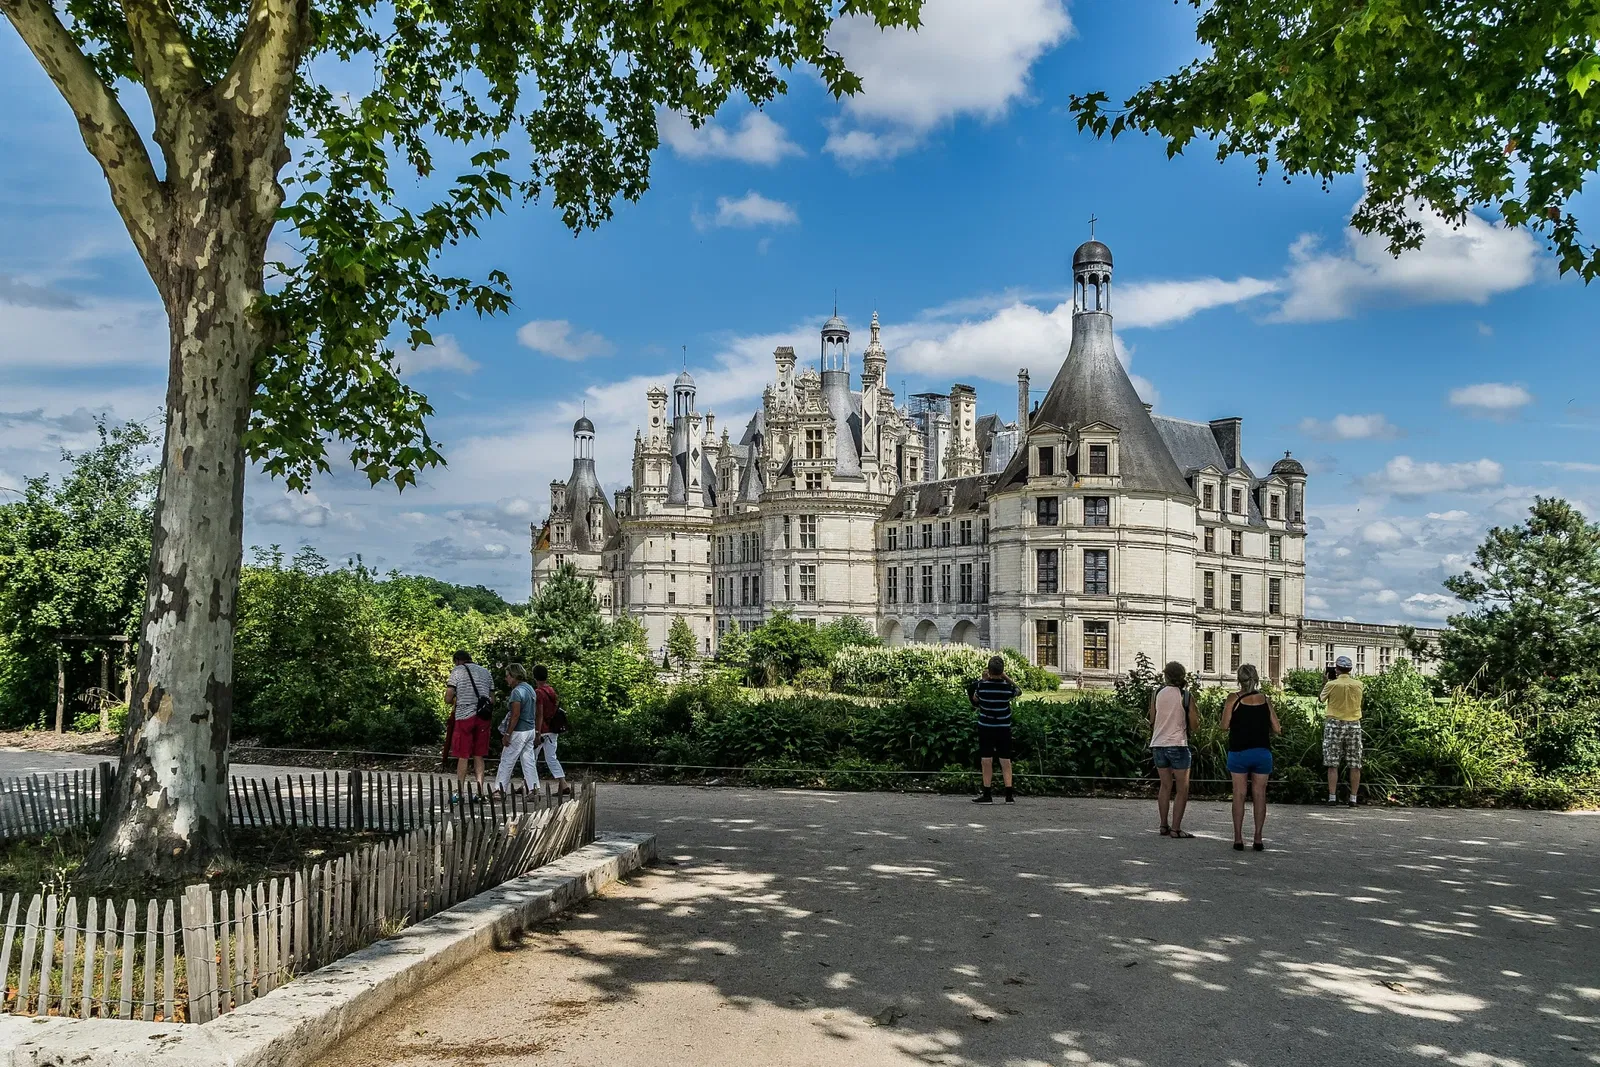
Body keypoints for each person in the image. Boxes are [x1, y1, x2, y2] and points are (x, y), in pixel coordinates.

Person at [1221, 663, 1281, 852]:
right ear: (1256, 678)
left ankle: (1238, 838)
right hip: (1262, 752)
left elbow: (1223, 726)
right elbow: (1278, 728)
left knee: (1238, 794)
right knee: (1260, 795)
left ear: (1239, 679)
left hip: (1238, 751)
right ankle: (1258, 837)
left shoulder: (1233, 698)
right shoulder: (1265, 699)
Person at [1148, 661, 1200, 838]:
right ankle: (1176, 829)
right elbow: (1194, 725)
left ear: (1166, 675)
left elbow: (1152, 719)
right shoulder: (1185, 696)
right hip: (1178, 743)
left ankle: (1163, 825)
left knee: (1165, 786)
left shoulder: (1156, 693)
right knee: (1182, 788)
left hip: (1158, 744)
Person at [967, 655, 1022, 803]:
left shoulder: (982, 687)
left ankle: (987, 793)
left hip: (986, 727)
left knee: (986, 759)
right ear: (1002, 670)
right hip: (1004, 728)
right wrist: (1006, 677)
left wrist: (984, 679)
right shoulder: (1007, 688)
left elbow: (975, 699)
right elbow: (1019, 690)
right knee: (1005, 759)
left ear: (989, 671)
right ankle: (1009, 794)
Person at [444, 650, 494, 801]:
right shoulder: (486, 672)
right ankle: (479, 793)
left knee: (463, 755)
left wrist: (454, 699)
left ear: (458, 660)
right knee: (479, 755)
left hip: (464, 717)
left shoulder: (457, 671)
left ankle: (459, 793)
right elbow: (492, 699)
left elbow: (448, 697)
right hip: (483, 718)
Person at [1320, 654, 1365, 806]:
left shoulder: (1332, 684)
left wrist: (1325, 682)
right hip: (1354, 723)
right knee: (1355, 762)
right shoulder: (1359, 684)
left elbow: (1321, 699)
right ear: (1350, 669)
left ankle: (1332, 797)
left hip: (1334, 723)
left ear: (1337, 669)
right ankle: (1353, 798)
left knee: (1333, 762)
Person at [493, 663, 540, 796]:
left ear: (514, 676)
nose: (506, 679)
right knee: (528, 760)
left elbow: (515, 715)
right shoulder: (530, 689)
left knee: (507, 759)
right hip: (530, 730)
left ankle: (499, 789)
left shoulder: (517, 692)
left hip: (519, 731)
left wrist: (507, 733)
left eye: (507, 676)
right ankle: (533, 788)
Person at [531, 665, 572, 798]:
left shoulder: (538, 692)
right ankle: (563, 783)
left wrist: (537, 732)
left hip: (542, 729)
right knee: (551, 757)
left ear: (534, 676)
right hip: (553, 728)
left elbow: (539, 714)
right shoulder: (550, 690)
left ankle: (531, 786)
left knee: (531, 757)